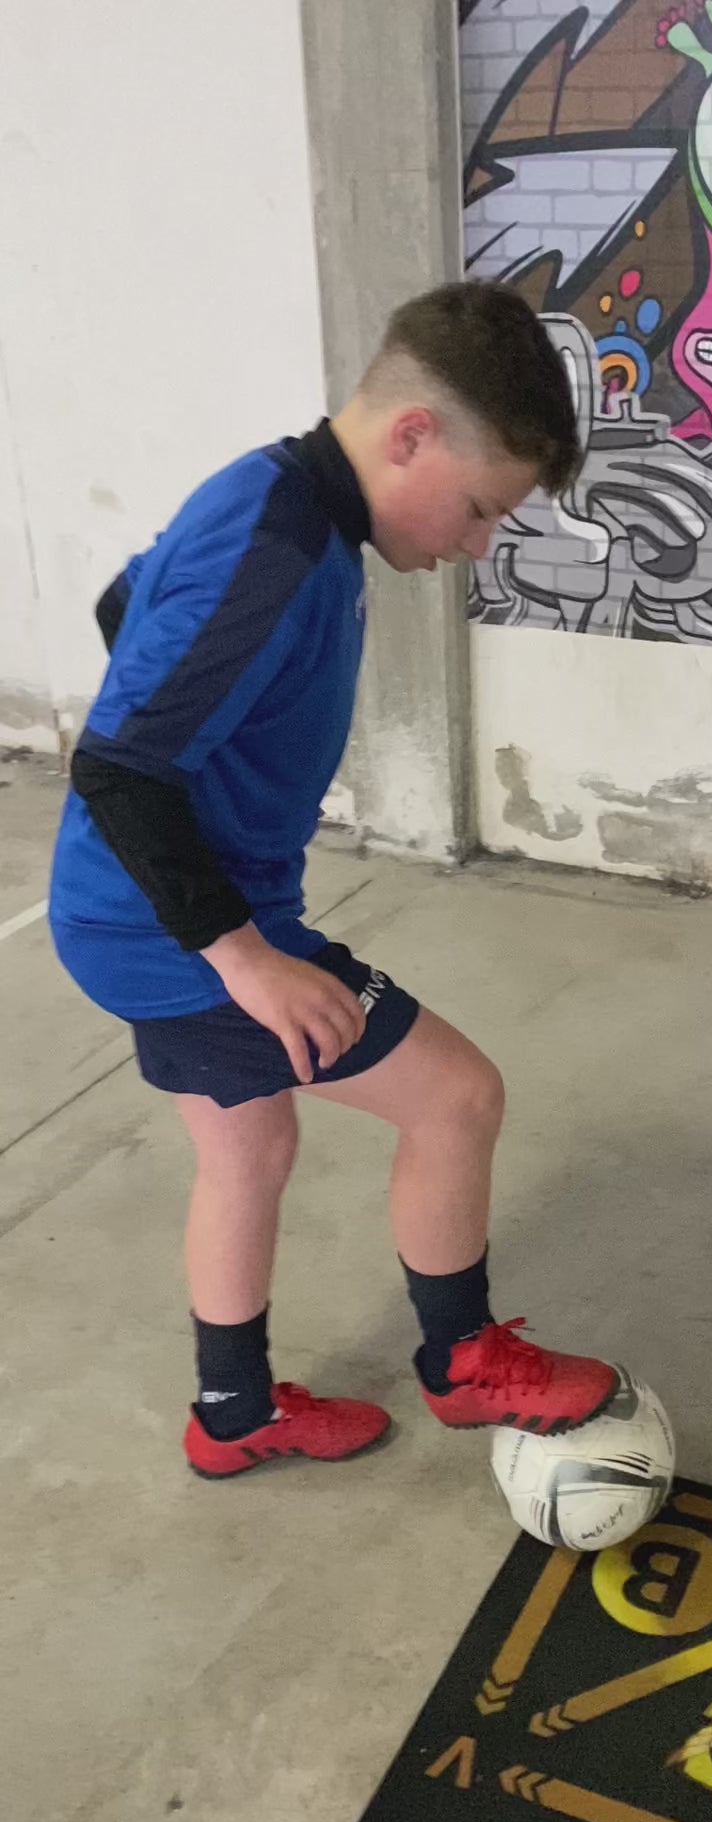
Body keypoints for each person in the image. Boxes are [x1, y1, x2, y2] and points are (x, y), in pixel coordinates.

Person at [49, 281, 617, 1480]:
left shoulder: (278, 497)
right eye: (477, 510)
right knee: (456, 1098)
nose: (475, 545)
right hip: (172, 927)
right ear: (411, 433)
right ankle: (464, 1366)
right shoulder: (276, 542)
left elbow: (126, 609)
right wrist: (246, 957)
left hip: (145, 912)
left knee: (247, 1154)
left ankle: (232, 1411)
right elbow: (119, 765)